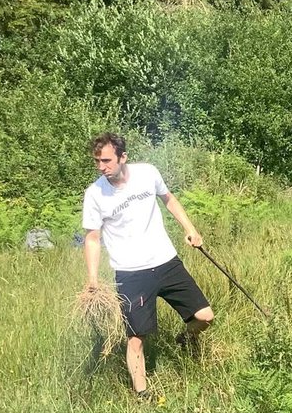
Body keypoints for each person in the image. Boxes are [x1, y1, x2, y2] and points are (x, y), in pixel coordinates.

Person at [82, 133, 214, 396]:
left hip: (166, 261)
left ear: (123, 157)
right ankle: (143, 396)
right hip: (131, 273)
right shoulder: (95, 194)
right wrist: (93, 279)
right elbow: (93, 238)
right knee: (136, 339)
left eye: (107, 160)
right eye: (97, 161)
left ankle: (186, 339)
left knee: (205, 317)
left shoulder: (147, 174)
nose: (101, 167)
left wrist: (190, 229)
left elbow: (169, 199)